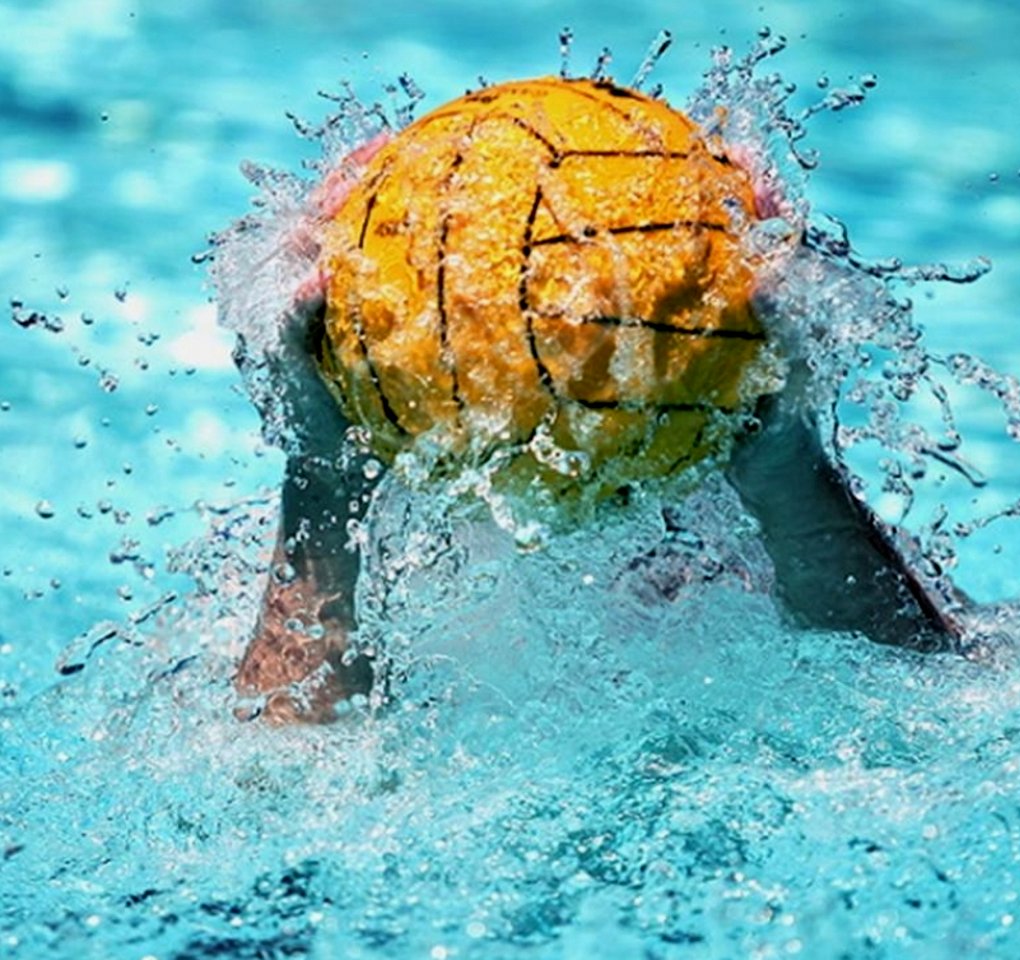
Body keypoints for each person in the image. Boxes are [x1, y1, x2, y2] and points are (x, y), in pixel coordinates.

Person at [228, 78, 969, 724]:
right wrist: (324, 473)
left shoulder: (741, 558)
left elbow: (929, 708)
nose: (561, 330)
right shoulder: (342, 577)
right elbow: (274, 780)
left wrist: (784, 458)